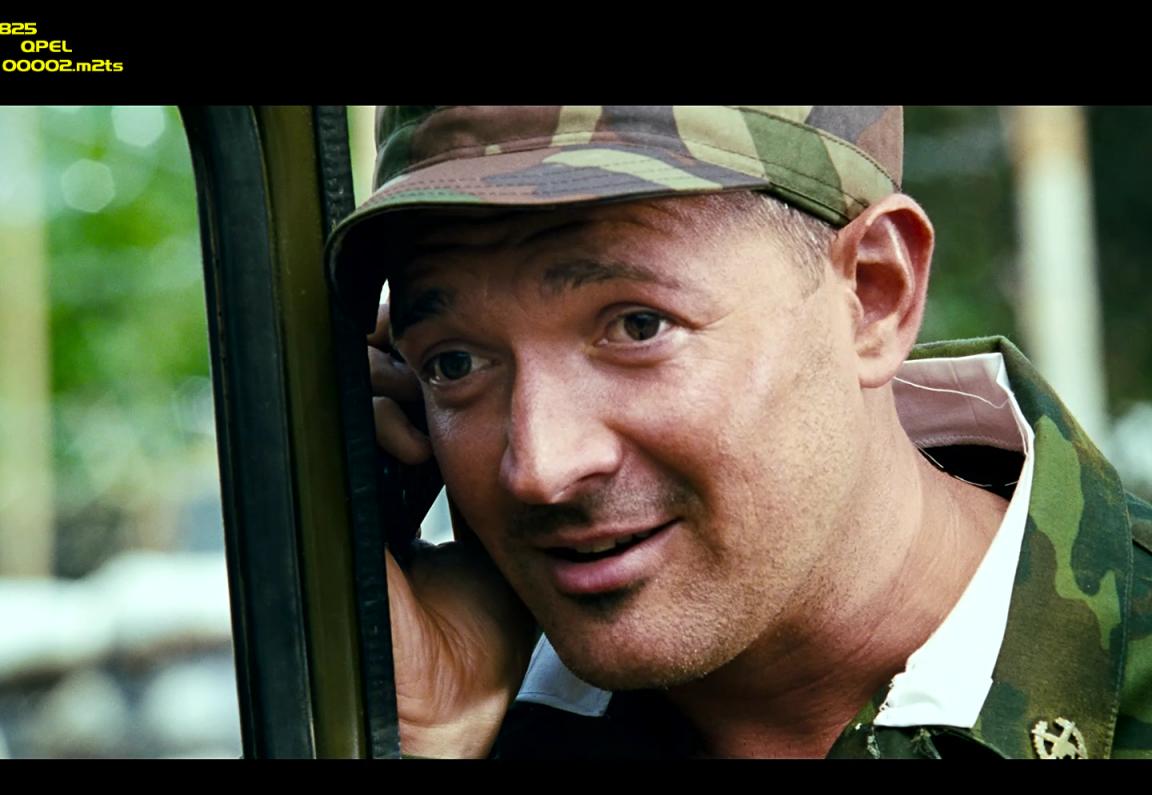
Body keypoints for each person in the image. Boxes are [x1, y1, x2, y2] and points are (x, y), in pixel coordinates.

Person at [327, 106, 1152, 759]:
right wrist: (416, 739)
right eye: (454, 363)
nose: (539, 467)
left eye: (639, 326)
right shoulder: (480, 716)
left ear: (874, 294)